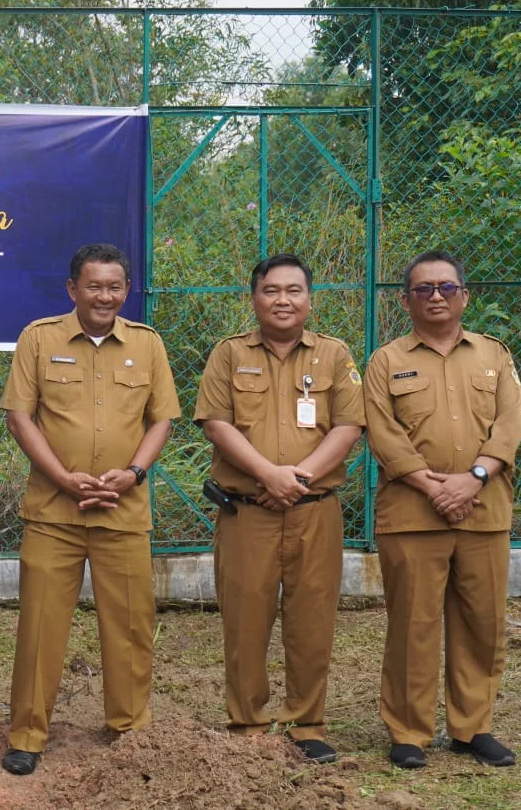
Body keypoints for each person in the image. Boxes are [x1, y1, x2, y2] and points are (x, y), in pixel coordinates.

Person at [0, 244, 179, 776]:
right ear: (72, 289)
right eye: (94, 286)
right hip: (54, 514)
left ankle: (129, 728)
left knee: (129, 625)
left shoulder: (147, 345)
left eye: (115, 287)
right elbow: (19, 416)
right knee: (40, 626)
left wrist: (135, 474)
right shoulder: (39, 338)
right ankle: (27, 735)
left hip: (123, 512)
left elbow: (161, 420)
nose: (105, 296)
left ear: (126, 291)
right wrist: (61, 477)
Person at [192, 253, 364, 764]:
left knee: (312, 621)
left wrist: (298, 478)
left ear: (309, 299)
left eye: (294, 290)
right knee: (245, 621)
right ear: (255, 299)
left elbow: (348, 426)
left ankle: (306, 723)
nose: (283, 300)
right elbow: (215, 422)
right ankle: (247, 723)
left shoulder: (335, 356)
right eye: (271, 291)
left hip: (315, 510)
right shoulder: (228, 355)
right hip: (248, 512)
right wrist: (269, 475)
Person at [365, 250, 521, 770]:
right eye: (424, 288)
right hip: (412, 514)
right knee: (413, 623)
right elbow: (382, 430)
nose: (436, 296)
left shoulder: (494, 356)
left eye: (446, 287)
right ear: (406, 299)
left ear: (464, 296)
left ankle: (472, 727)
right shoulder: (385, 361)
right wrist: (429, 485)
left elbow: (509, 424)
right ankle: (408, 732)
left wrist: (473, 477)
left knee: (483, 622)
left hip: (484, 510)